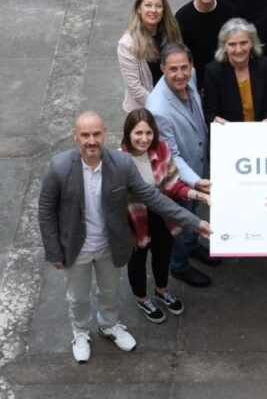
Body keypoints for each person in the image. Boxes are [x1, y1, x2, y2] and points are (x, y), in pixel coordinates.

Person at [38, 111, 210, 363]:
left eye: (96, 134)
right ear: (75, 136)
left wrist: (194, 223)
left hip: (110, 244)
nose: (91, 141)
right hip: (76, 247)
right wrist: (53, 250)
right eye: (85, 135)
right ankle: (81, 332)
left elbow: (153, 198)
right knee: (78, 297)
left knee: (110, 291)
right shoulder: (59, 167)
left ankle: (108, 325)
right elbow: (46, 210)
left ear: (105, 133)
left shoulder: (122, 164)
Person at [122, 108, 211, 323]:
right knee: (137, 261)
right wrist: (125, 232)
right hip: (134, 221)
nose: (144, 139)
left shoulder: (161, 148)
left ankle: (162, 291)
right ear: (128, 133)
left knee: (163, 255)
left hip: (162, 215)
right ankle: (142, 299)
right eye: (138, 133)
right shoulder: (119, 160)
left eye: (148, 133)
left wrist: (199, 195)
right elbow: (114, 203)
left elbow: (173, 186)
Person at [146, 43, 217, 288]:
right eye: (173, 69)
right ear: (163, 69)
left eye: (184, 67)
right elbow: (171, 155)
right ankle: (179, 265)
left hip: (198, 163)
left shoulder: (191, 75)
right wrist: (195, 181)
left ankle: (193, 244)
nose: (180, 74)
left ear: (192, 66)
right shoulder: (157, 109)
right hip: (178, 177)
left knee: (193, 212)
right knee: (179, 220)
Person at [203, 18, 267, 124]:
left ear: (252, 43)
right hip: (230, 131)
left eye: (243, 43)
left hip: (263, 128)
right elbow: (210, 112)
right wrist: (215, 120)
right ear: (224, 46)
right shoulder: (213, 72)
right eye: (232, 44)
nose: (238, 50)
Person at [118, 0, 183, 112]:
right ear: (139, 9)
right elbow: (135, 89)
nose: (153, 10)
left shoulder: (171, 32)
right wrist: (164, 105)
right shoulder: (127, 44)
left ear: (163, 10)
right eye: (148, 5)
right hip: (145, 109)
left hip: (173, 99)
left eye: (158, 6)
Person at [175, 0, 236, 94]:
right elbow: (181, 56)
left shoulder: (229, 10)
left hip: (229, 78)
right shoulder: (182, 17)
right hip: (197, 85)